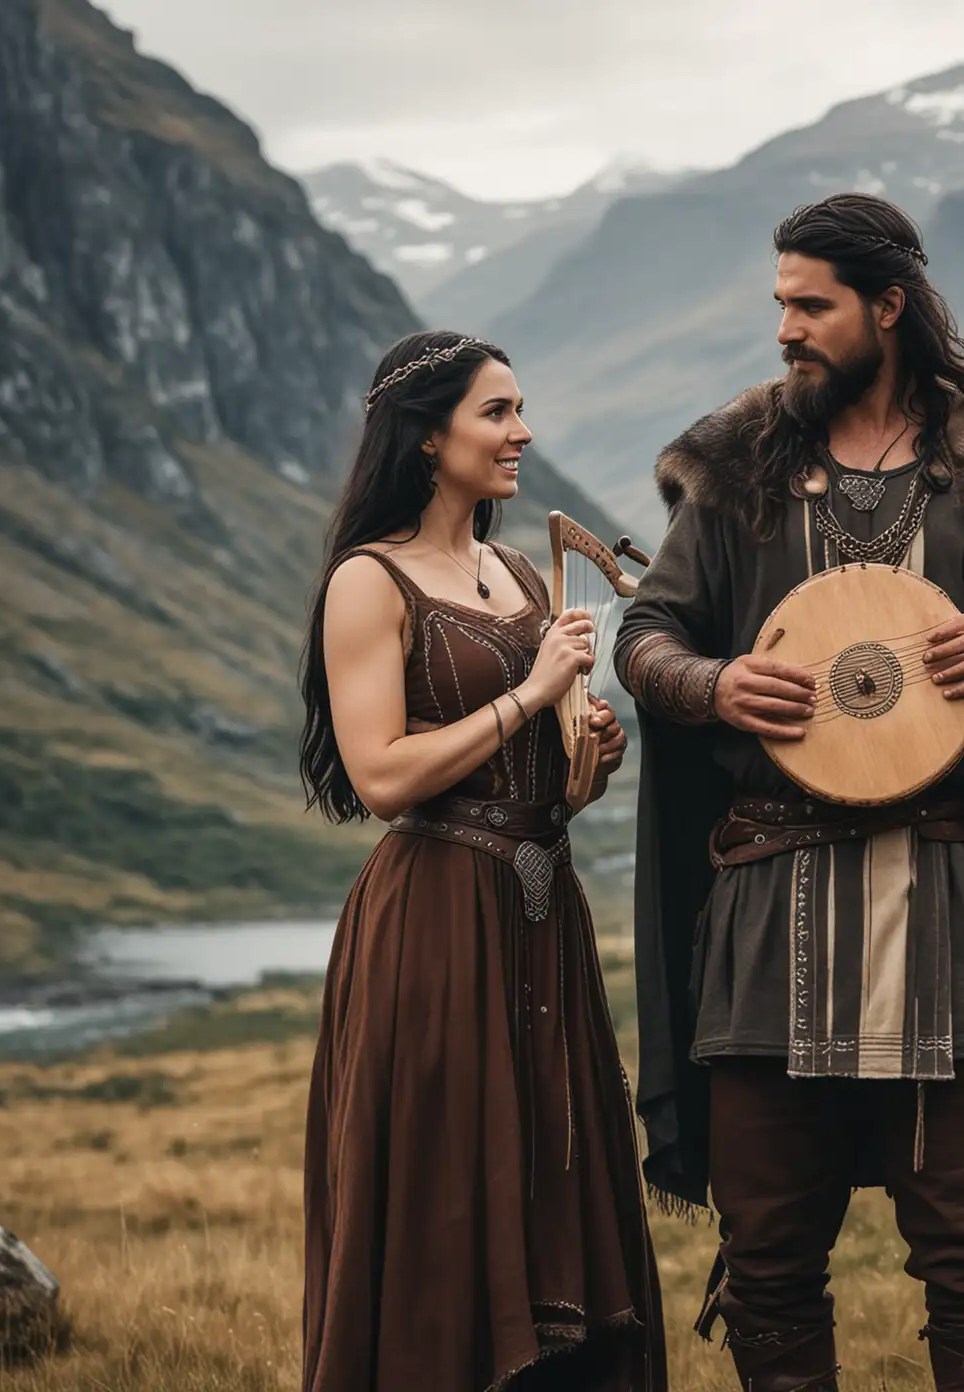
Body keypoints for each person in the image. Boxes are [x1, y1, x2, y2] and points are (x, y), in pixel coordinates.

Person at [613, 193, 964, 1392]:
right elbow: (645, 635)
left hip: (943, 915)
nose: (786, 328)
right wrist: (715, 684)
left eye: (811, 306)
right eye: (779, 304)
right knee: (769, 1259)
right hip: (766, 912)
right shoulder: (735, 467)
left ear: (888, 308)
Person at [297, 331, 665, 1391]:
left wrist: (587, 759)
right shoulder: (368, 583)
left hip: (541, 910)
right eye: (497, 413)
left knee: (558, 1162)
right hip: (436, 919)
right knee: (445, 1183)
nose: (523, 432)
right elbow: (381, 777)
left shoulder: (513, 569)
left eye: (520, 409)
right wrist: (527, 692)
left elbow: (552, 786)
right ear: (426, 438)